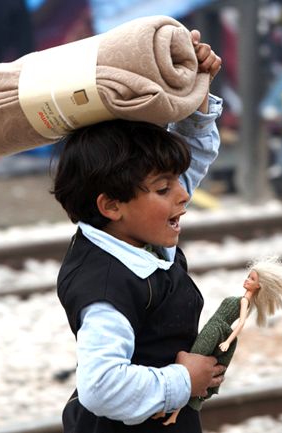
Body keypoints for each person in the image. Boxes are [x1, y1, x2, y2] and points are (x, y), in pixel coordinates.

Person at [52, 30, 224, 433]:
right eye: (164, 189)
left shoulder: (133, 230)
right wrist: (184, 381)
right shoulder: (106, 286)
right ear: (111, 205)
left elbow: (190, 158)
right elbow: (100, 387)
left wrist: (196, 87)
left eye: (177, 181)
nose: (184, 195)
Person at [152, 254, 282, 425]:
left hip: (216, 331)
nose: (247, 280)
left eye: (252, 279)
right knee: (190, 366)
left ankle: (171, 414)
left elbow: (241, 323)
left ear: (259, 286)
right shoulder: (241, 299)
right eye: (248, 276)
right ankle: (167, 412)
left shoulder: (244, 302)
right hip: (212, 327)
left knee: (192, 365)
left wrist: (227, 341)